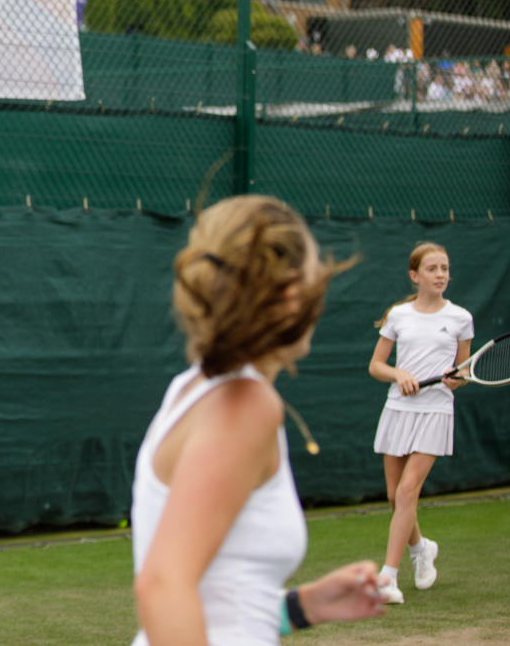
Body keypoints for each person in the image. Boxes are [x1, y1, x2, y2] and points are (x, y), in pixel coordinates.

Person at [131, 194, 387, 645]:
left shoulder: (191, 388)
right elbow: (163, 585)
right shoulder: (246, 404)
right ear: (291, 294)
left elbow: (221, 600)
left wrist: (301, 607)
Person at [368, 242, 471, 604]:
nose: (441, 274)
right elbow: (376, 365)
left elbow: (463, 371)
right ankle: (421, 549)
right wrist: (399, 375)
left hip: (436, 410)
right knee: (395, 496)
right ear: (415, 275)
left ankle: (388, 577)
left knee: (408, 491)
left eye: (444, 268)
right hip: (399, 408)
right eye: (432, 269)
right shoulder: (399, 315)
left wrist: (456, 378)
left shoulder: (461, 318)